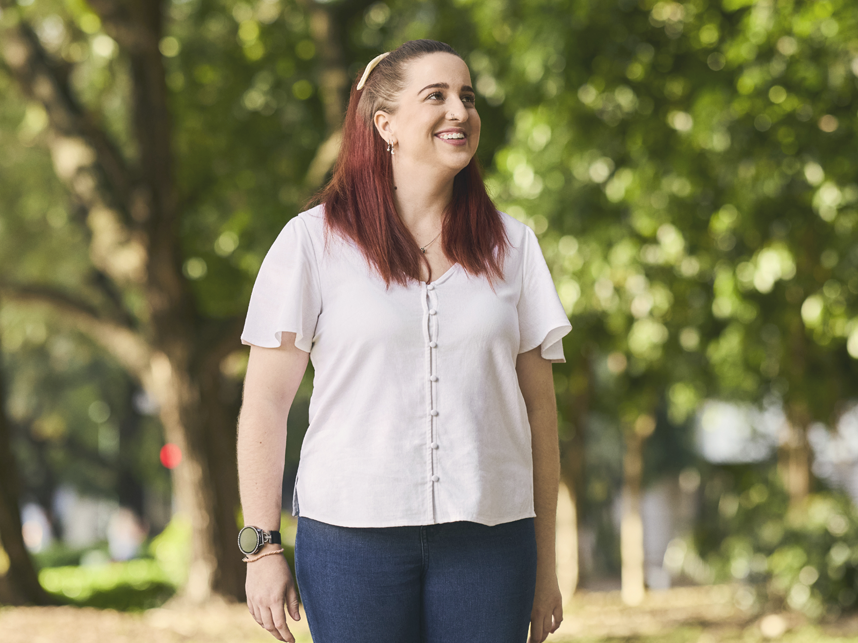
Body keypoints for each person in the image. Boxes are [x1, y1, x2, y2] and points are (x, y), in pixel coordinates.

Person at [236, 39, 571, 643]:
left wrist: (545, 566)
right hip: (347, 543)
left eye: (467, 97)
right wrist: (260, 549)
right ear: (384, 124)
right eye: (436, 96)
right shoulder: (312, 243)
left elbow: (539, 409)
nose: (460, 111)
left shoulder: (514, 248)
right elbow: (264, 403)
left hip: (491, 542)